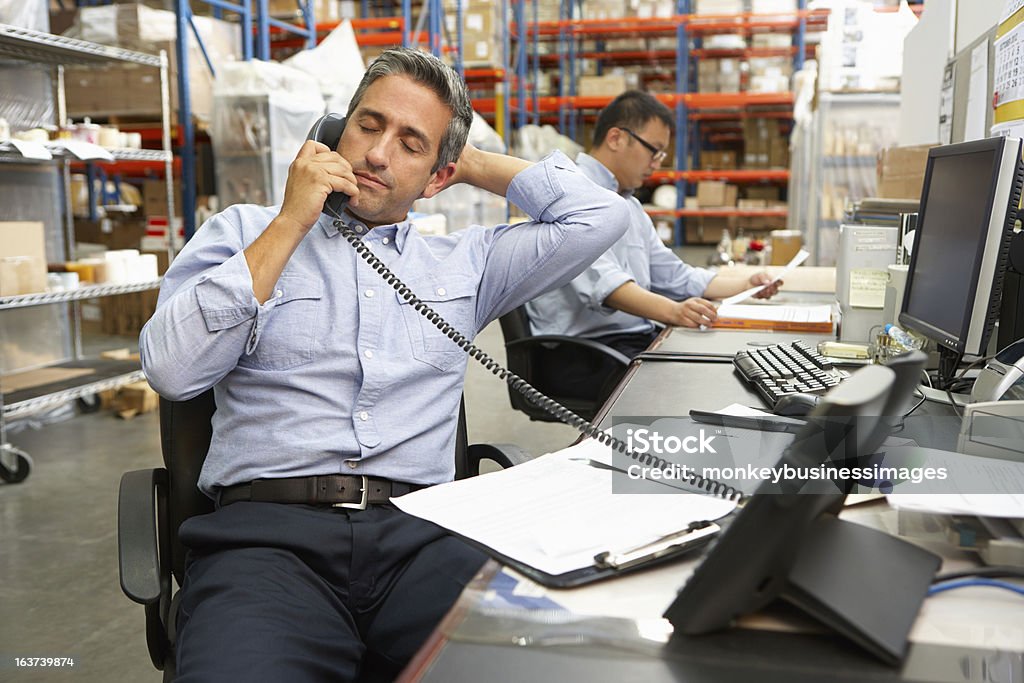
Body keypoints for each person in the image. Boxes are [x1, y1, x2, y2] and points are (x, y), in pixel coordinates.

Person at [139, 47, 629, 682]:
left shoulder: (467, 265)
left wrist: (470, 162)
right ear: (336, 130)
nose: (376, 153)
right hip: (266, 544)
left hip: (422, 542)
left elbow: (602, 214)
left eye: (409, 142)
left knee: (561, 668)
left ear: (437, 177)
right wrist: (292, 222)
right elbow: (172, 371)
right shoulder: (243, 232)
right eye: (368, 125)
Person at [527, 90, 782, 363]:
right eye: (654, 151)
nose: (656, 164)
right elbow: (607, 285)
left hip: (630, 339)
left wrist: (745, 284)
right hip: (583, 351)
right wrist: (674, 312)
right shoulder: (569, 193)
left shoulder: (631, 207)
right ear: (616, 138)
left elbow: (674, 276)